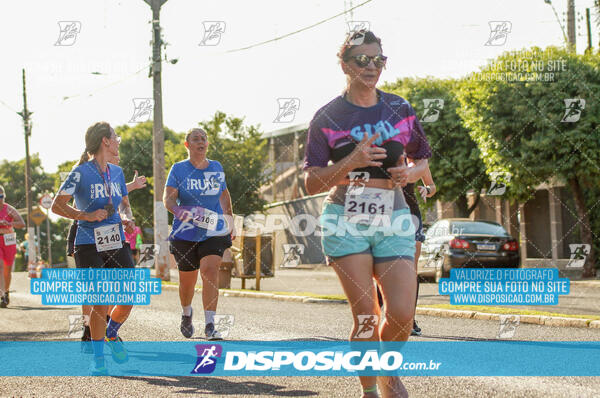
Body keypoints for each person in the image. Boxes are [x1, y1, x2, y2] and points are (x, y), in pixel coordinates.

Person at [303, 30, 431, 398]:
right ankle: (371, 390)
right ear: (344, 64)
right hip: (345, 218)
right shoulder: (327, 116)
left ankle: (388, 370)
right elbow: (312, 182)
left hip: (394, 216)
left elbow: (423, 157)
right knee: (366, 317)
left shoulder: (399, 108)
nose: (371, 66)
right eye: (362, 60)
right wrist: (353, 160)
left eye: (378, 59)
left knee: (403, 313)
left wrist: (412, 172)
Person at [52, 121, 137, 375]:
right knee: (99, 300)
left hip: (115, 238)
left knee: (128, 294)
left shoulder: (117, 172)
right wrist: (85, 216)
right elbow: (57, 205)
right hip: (88, 242)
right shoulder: (80, 173)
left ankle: (111, 333)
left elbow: (121, 203)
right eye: (115, 137)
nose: (118, 141)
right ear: (105, 141)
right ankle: (98, 359)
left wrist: (126, 217)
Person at [163, 128, 235, 340]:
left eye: (203, 138)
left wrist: (230, 221)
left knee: (210, 270)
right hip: (185, 232)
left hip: (214, 229)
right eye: (195, 139)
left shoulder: (216, 167)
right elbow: (168, 199)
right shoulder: (178, 169)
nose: (200, 141)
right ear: (187, 145)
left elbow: (224, 195)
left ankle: (210, 324)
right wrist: (179, 211)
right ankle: (186, 312)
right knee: (188, 282)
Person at [66, 159, 146, 344]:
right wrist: (131, 186)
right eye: (114, 146)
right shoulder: (85, 171)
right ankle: (88, 328)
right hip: (83, 231)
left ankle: (105, 324)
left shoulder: (114, 173)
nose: (118, 155)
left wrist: (125, 212)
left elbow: (115, 201)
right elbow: (92, 202)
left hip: (109, 232)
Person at [377, 164, 436, 336]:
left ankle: (409, 319)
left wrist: (427, 190)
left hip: (411, 216)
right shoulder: (384, 157)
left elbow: (432, 186)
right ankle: (375, 314)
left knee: (411, 269)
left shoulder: (418, 163)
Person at [0, 185, 26, 308]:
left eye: (1, 196)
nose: (0, 199)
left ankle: (6, 292)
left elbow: (22, 224)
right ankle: (2, 295)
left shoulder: (9, 209)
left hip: (8, 240)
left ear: (4, 196)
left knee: (7, 269)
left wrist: (9, 223)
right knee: (0, 265)